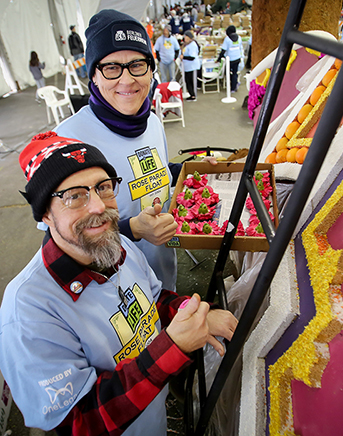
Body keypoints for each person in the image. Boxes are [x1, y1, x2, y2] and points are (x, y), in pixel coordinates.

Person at [0, 131, 238, 435]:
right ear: (45, 213)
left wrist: (195, 312)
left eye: (104, 187)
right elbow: (79, 422)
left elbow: (152, 301)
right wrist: (173, 346)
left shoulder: (120, 245)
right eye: (74, 196)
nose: (99, 206)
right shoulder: (28, 311)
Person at [56, 10, 182, 292]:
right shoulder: (68, 138)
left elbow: (156, 170)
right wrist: (133, 230)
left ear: (151, 69)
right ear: (94, 77)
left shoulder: (152, 122)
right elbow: (60, 240)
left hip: (163, 275)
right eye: (112, 67)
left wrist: (195, 169)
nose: (127, 80)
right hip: (113, 291)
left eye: (137, 64)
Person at [217, 25, 243, 93]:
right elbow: (240, 48)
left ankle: (231, 87)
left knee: (228, 73)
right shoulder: (239, 38)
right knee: (235, 73)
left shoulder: (227, 39)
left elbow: (223, 50)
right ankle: (234, 86)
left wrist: (218, 59)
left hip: (230, 59)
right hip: (237, 58)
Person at [181, 30, 200, 101]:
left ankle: (193, 95)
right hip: (187, 67)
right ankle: (191, 94)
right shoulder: (186, 44)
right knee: (187, 81)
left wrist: (183, 57)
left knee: (191, 81)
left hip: (192, 66)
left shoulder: (192, 45)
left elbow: (192, 57)